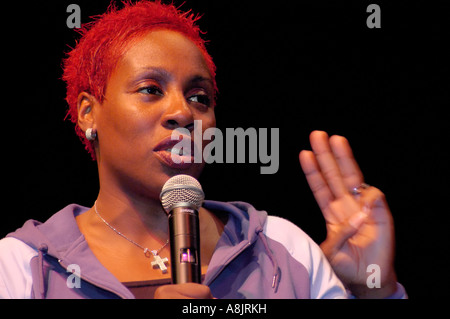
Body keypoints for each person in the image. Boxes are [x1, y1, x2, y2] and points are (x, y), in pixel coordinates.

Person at [0, 0, 406, 299]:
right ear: (88, 113)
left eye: (199, 97)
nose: (182, 112)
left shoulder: (282, 250)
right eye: (151, 90)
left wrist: (374, 290)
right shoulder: (25, 265)